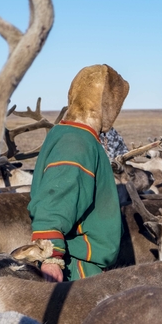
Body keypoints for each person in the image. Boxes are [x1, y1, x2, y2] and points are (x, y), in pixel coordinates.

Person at [28, 64, 129, 282]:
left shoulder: (70, 135)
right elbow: (56, 196)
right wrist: (51, 258)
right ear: (106, 103)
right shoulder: (76, 143)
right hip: (76, 271)